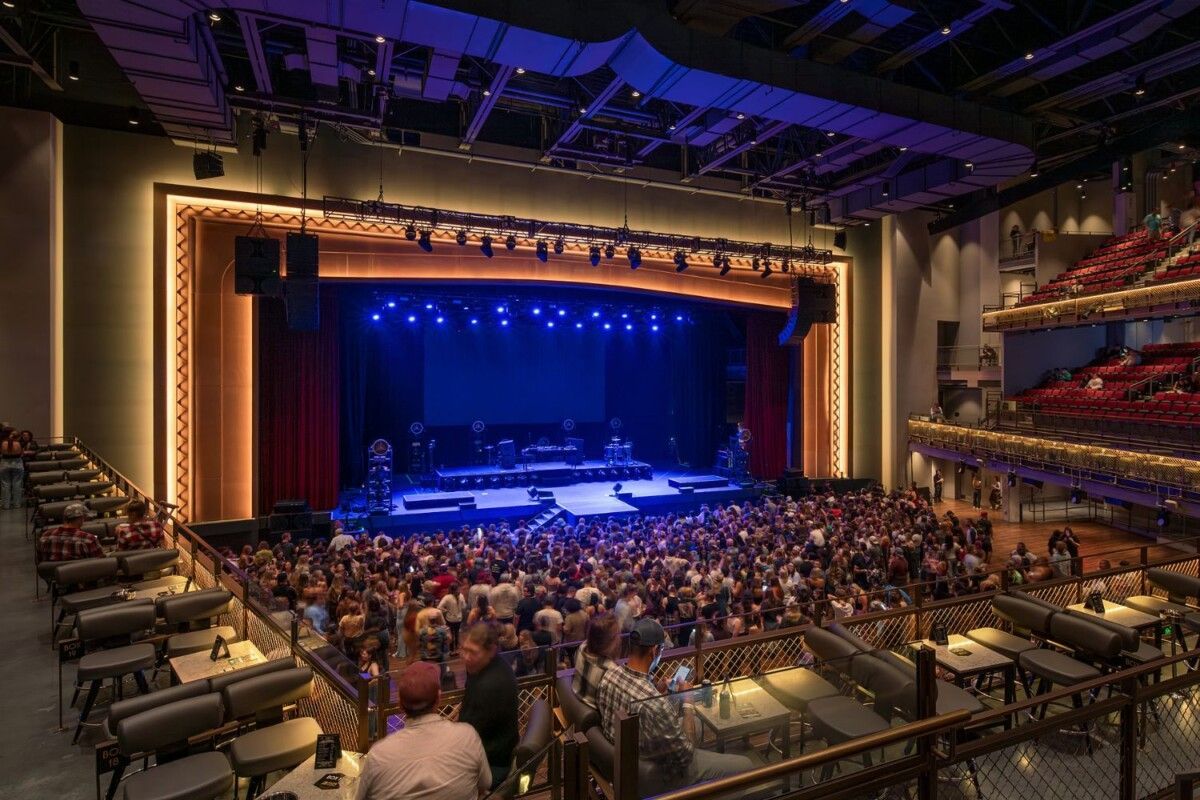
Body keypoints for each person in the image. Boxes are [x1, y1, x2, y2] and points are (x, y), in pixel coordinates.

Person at [596, 618, 753, 795]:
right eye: (661, 650)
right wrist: (687, 702)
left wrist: (658, 690)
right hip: (659, 775)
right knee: (745, 765)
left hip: (628, 761)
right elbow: (686, 755)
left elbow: (638, 705)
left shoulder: (609, 675)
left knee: (696, 723)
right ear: (654, 650)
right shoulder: (654, 704)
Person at [355, 661, 491, 800]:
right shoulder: (468, 736)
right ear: (438, 699)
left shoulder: (379, 756)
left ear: (400, 703)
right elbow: (485, 783)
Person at [459, 623, 519, 790]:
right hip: (487, 751)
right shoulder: (481, 666)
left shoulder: (490, 685)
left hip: (493, 764)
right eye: (464, 650)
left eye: (473, 652)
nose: (466, 657)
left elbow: (467, 737)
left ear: (491, 650)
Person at [573, 613, 620, 707]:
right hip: (593, 707)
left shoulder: (581, 647)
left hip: (576, 693)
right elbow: (612, 705)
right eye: (616, 635)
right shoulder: (612, 670)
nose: (619, 638)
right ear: (609, 643)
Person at [37, 503, 104, 562]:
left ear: (65, 518)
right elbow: (100, 562)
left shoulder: (45, 536)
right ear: (81, 519)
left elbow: (39, 561)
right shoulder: (89, 539)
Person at [0, 431, 24, 510]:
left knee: (5, 484)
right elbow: (21, 453)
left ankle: (5, 505)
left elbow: (1, 452)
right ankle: (17, 504)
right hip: (17, 463)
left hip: (5, 463)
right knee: (17, 484)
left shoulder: (3, 443)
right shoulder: (18, 443)